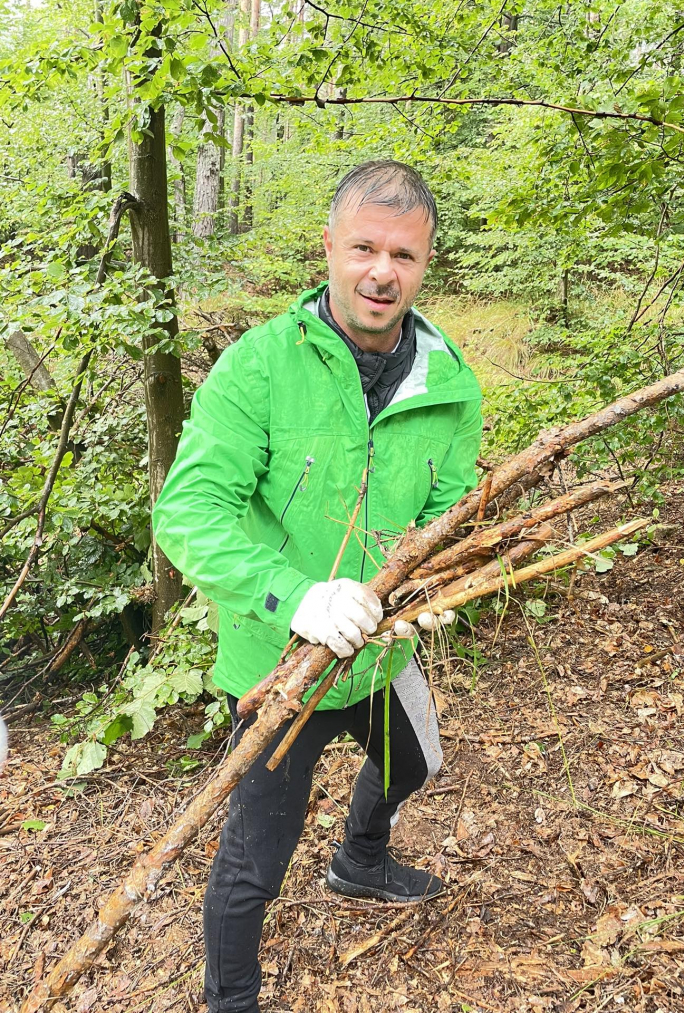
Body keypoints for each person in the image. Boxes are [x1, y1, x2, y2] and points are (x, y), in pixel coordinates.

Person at [153, 160, 482, 1013]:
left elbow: (451, 506)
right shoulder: (259, 366)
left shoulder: (448, 383)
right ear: (329, 248)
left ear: (427, 262)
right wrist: (294, 596)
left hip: (377, 659)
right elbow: (188, 512)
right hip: (280, 666)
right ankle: (231, 1001)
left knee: (417, 762)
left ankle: (359, 861)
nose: (383, 272)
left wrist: (418, 593)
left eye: (404, 255)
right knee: (252, 867)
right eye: (365, 247)